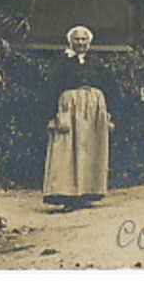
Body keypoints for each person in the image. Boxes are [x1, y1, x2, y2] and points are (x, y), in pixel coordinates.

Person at [43, 25, 113, 211]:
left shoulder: (96, 63)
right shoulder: (61, 62)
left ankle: (87, 192)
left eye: (84, 40)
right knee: (67, 150)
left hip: (93, 112)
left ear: (89, 42)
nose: (80, 43)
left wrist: (108, 115)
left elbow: (109, 88)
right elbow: (51, 89)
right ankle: (68, 195)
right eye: (77, 40)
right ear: (70, 42)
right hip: (70, 110)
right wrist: (52, 117)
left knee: (89, 150)